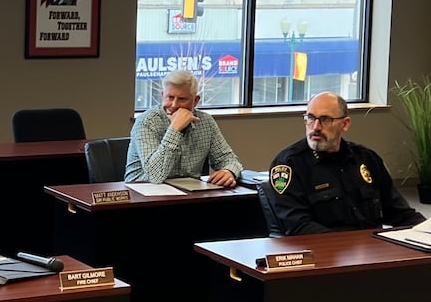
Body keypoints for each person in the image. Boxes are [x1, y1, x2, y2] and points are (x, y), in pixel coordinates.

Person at [267, 91, 426, 235]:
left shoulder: (367, 159)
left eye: (325, 120)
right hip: (326, 251)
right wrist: (348, 247)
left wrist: (426, 230)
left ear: (345, 124)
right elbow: (298, 225)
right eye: (310, 118)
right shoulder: (289, 164)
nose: (316, 127)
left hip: (372, 249)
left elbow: (399, 212)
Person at [125, 69, 243, 186]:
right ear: (162, 95)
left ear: (195, 100)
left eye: (182, 99)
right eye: (170, 97)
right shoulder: (146, 121)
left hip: (189, 192)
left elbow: (228, 158)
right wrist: (175, 129)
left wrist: (229, 171)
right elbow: (155, 176)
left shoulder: (206, 121)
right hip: (143, 191)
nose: (174, 105)